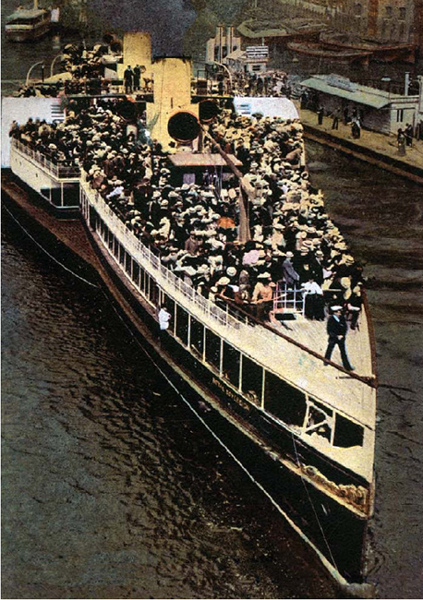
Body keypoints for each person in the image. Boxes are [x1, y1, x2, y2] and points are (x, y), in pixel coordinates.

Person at [324, 306, 354, 371]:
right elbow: (329, 330)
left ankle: (347, 366)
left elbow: (345, 328)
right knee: (329, 349)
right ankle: (326, 361)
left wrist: (342, 335)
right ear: (334, 312)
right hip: (333, 338)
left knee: (343, 352)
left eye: (340, 311)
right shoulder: (331, 319)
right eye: (338, 311)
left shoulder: (342, 318)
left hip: (341, 338)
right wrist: (336, 336)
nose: (339, 312)